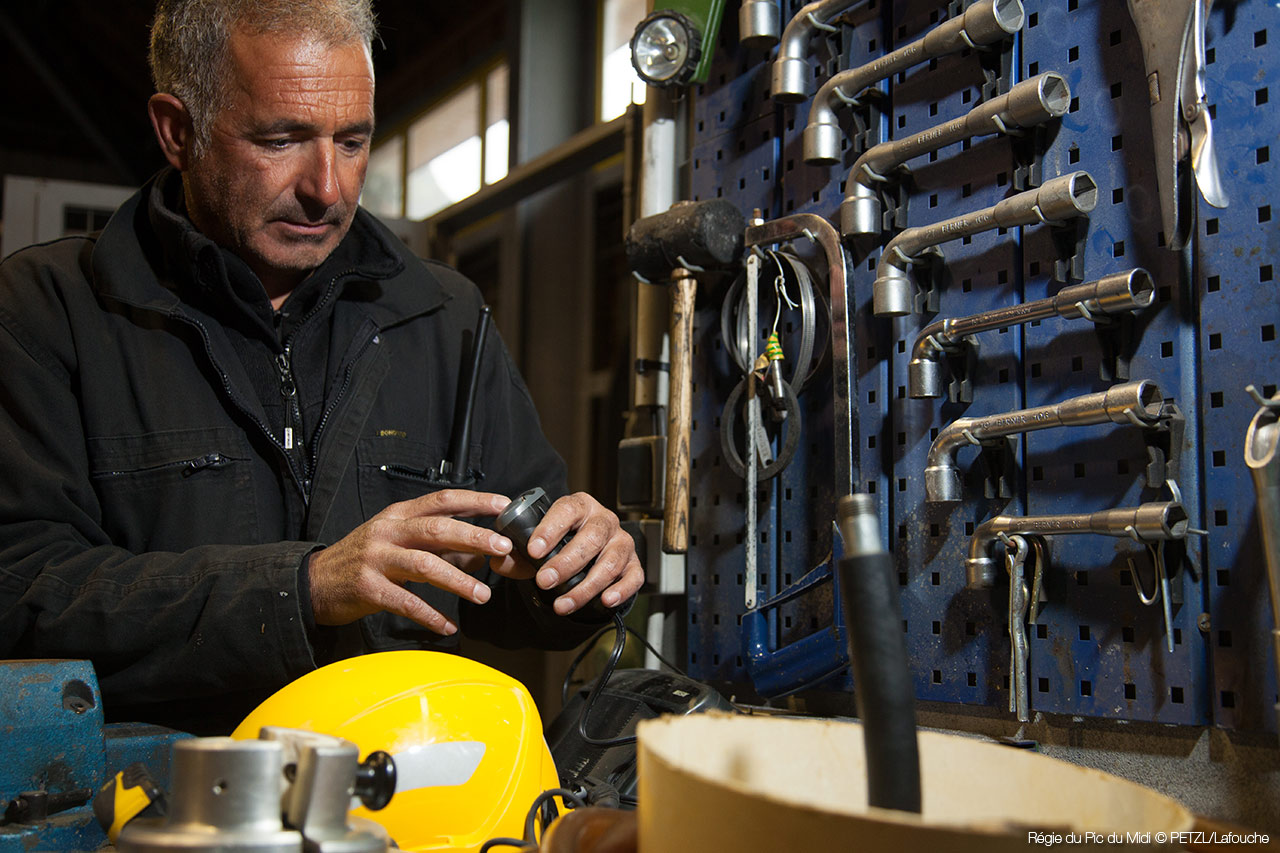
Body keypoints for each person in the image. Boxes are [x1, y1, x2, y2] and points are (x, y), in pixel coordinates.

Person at [0, 0, 643, 734]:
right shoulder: (47, 315)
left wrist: (585, 568)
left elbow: (519, 585)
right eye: (282, 139)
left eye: (353, 141)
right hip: (152, 812)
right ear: (179, 131)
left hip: (403, 802)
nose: (327, 188)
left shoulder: (444, 315)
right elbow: (19, 591)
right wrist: (298, 590)